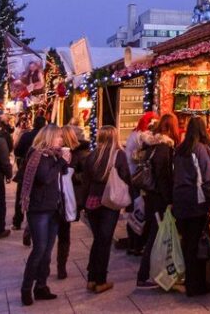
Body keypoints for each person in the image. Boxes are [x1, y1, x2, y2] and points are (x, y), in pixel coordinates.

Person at [18, 124, 71, 307]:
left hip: (54, 207)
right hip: (39, 208)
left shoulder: (54, 156)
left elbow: (60, 176)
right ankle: (26, 288)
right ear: (49, 138)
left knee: (47, 250)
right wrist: (62, 162)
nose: (61, 140)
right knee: (39, 249)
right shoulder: (38, 155)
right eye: (58, 137)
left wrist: (64, 162)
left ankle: (41, 286)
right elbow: (45, 177)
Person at [76, 125, 131, 294]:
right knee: (104, 241)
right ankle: (100, 280)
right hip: (109, 201)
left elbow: (85, 182)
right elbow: (126, 177)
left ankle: (91, 278)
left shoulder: (92, 156)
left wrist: (82, 204)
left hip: (92, 201)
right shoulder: (118, 155)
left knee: (98, 239)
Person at [172, 116, 210, 297]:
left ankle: (191, 282)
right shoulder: (199, 150)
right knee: (197, 243)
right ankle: (197, 284)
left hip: (180, 201)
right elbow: (206, 178)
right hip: (195, 202)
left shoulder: (179, 150)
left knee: (188, 244)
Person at [136, 113, 179, 289]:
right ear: (170, 128)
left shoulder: (152, 145)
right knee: (155, 235)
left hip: (151, 195)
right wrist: (169, 199)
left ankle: (155, 272)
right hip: (158, 198)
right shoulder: (163, 148)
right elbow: (163, 177)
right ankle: (143, 276)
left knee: (155, 234)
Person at [56, 124, 90, 280]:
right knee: (60, 232)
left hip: (69, 198)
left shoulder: (80, 154)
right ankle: (59, 266)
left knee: (63, 232)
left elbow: (85, 176)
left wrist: (70, 176)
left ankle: (61, 266)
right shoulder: (54, 153)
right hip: (58, 197)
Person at [123, 111, 157, 255]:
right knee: (139, 210)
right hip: (137, 179)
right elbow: (139, 158)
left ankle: (134, 243)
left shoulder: (134, 135)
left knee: (136, 209)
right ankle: (136, 243)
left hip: (133, 177)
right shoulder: (140, 137)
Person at [13, 114, 47, 233]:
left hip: (26, 167)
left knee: (22, 194)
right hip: (42, 170)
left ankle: (17, 221)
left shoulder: (26, 135)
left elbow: (17, 151)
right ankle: (32, 223)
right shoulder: (46, 138)